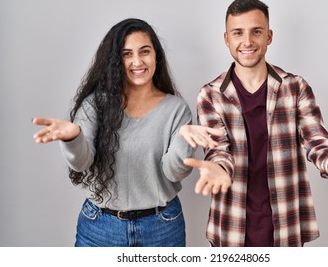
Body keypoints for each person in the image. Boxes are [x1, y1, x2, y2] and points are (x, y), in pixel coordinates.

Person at [183, 0, 328, 247]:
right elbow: (217, 149)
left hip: (286, 224)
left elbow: (315, 138)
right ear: (227, 39)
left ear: (269, 36)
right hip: (232, 225)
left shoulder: (295, 86)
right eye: (238, 33)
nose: (247, 41)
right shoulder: (211, 94)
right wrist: (219, 168)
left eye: (256, 31)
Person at [32, 18, 222, 247]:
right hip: (100, 228)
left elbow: (173, 173)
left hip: (161, 227)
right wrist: (73, 137)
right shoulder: (95, 105)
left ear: (156, 56)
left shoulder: (176, 109)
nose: (137, 61)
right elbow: (81, 163)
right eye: (126, 54)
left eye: (144, 51)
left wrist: (183, 140)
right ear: (115, 60)